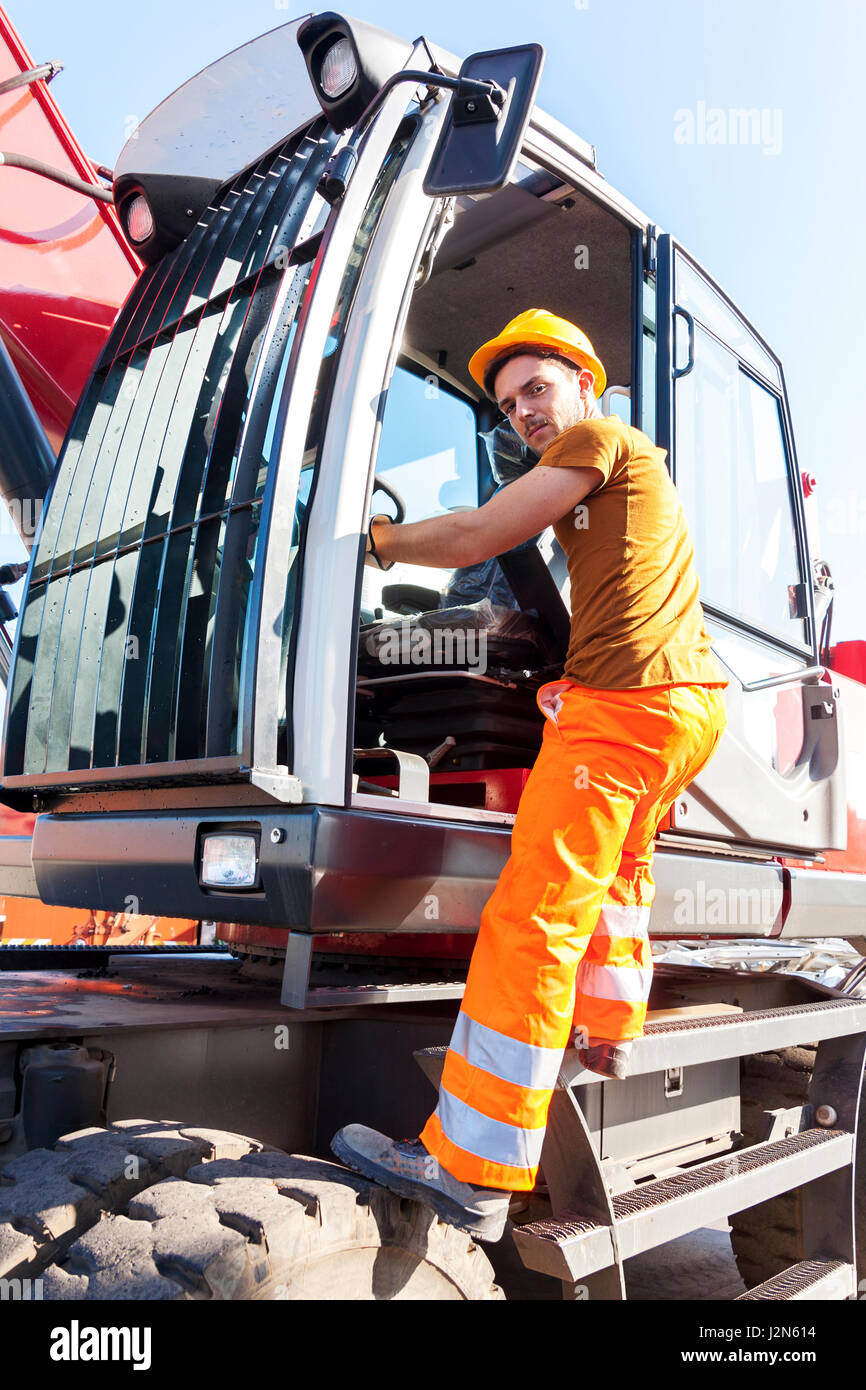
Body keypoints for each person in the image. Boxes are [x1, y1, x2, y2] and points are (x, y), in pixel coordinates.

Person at [332, 308, 729, 1243]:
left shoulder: (600, 436)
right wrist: (571, 680)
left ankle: (469, 1168)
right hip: (681, 701)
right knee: (617, 879)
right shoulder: (621, 474)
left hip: (630, 708)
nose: (525, 415)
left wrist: (372, 542)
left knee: (533, 915)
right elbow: (621, 597)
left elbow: (474, 535)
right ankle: (607, 1029)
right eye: (510, 407)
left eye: (536, 390)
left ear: (584, 382)